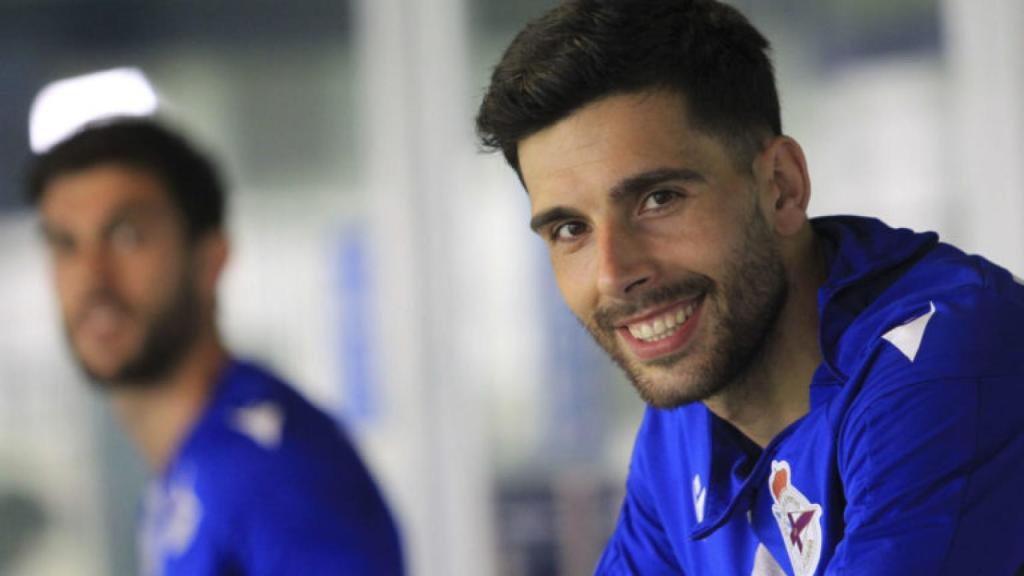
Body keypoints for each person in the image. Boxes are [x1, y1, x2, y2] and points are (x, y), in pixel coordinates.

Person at [476, 1, 1024, 574]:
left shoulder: (943, 360)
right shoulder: (685, 424)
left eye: (659, 199)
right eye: (570, 229)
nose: (614, 273)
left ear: (782, 188)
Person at [27, 117, 404, 575]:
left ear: (209, 258)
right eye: (65, 244)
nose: (92, 278)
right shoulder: (193, 468)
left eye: (127, 236)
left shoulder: (268, 470)